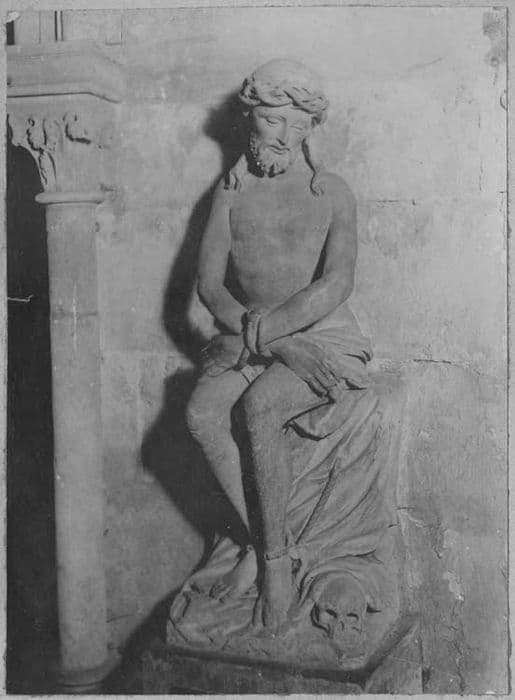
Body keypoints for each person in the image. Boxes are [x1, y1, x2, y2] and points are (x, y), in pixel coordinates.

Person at [183, 58, 376, 633]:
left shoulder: (332, 191)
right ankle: (271, 542)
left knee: (261, 406)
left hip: (324, 337)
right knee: (200, 413)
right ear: (249, 120)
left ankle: (274, 567)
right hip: (256, 337)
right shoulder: (230, 192)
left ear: (311, 128)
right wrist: (273, 344)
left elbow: (337, 282)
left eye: (298, 124)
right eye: (273, 120)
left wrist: (268, 339)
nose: (285, 135)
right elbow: (208, 287)